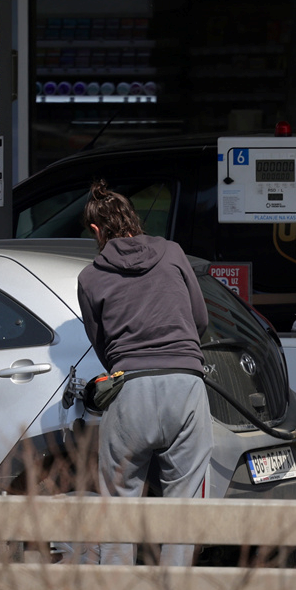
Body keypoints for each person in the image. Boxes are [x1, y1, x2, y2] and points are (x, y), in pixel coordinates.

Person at [76, 178, 213, 566]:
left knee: (119, 505)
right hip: (186, 387)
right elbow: (199, 319)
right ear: (134, 220)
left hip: (130, 391)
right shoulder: (172, 253)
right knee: (182, 507)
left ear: (96, 231)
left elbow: (102, 345)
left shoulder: (90, 277)